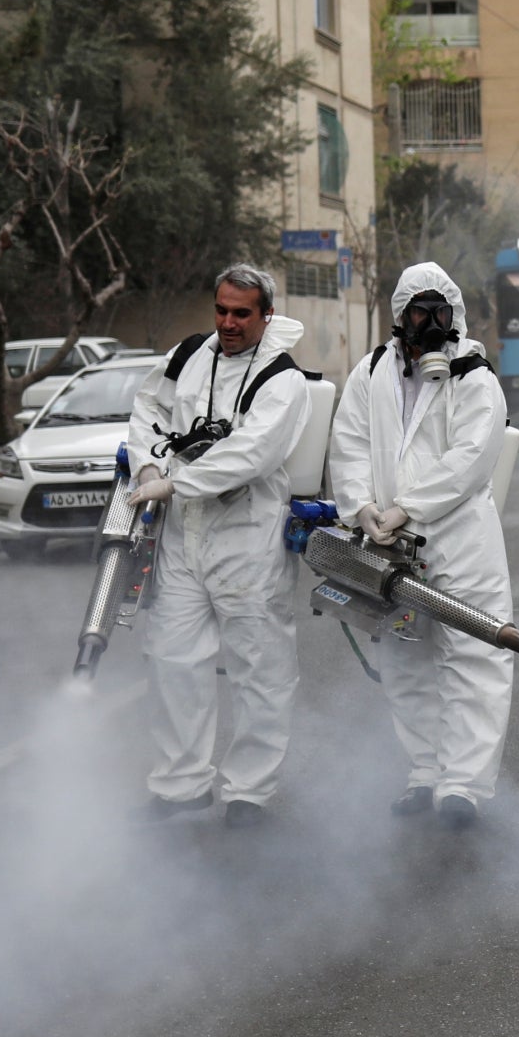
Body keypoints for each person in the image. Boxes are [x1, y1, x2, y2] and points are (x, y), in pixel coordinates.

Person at [328, 263, 515, 831]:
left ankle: (464, 785)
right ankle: (425, 773)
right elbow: (350, 442)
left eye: (441, 313)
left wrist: (407, 507)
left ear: (454, 317)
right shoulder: (373, 371)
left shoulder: (473, 376)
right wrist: (361, 507)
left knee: (472, 656)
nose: (432, 325)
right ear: (400, 318)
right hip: (386, 541)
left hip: (460, 541)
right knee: (405, 656)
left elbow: (470, 457)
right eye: (420, 313)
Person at [125, 264, 313, 826]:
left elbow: (251, 453)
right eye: (221, 310)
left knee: (259, 668)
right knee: (172, 659)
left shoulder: (283, 379)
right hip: (185, 531)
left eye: (241, 313)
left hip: (247, 536)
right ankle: (180, 783)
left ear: (265, 315)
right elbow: (147, 409)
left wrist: (174, 481)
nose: (228, 323)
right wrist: (149, 463)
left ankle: (249, 792)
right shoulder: (187, 356)